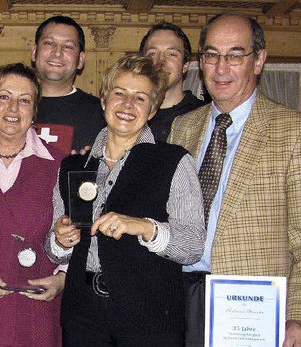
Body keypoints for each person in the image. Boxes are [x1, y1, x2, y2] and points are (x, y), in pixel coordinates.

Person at [168, 13, 301, 347]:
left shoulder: (297, 132)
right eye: (211, 55)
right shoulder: (182, 129)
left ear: (258, 60)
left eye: (234, 55)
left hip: (250, 312)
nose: (221, 67)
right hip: (176, 298)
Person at [46, 54, 205, 346]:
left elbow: (193, 246)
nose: (128, 105)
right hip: (82, 316)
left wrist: (145, 227)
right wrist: (59, 239)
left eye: (140, 98)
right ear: (104, 100)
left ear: (153, 109)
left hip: (151, 318)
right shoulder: (72, 166)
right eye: (119, 93)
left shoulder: (174, 162)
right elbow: (56, 252)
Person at [0, 63, 65, 347]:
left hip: (38, 312)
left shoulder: (60, 165)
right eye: (3, 96)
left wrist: (62, 278)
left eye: (24, 100)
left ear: (34, 112)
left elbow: (79, 231)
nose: (13, 108)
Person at [32, 15, 106, 155]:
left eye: (68, 46)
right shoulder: (11, 107)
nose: (57, 52)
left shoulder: (102, 113)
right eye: (49, 43)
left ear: (80, 60)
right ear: (34, 52)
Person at [139, 21, 208, 142]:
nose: (161, 61)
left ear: (185, 65)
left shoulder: (205, 115)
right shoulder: (130, 113)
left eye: (171, 54)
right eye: (152, 54)